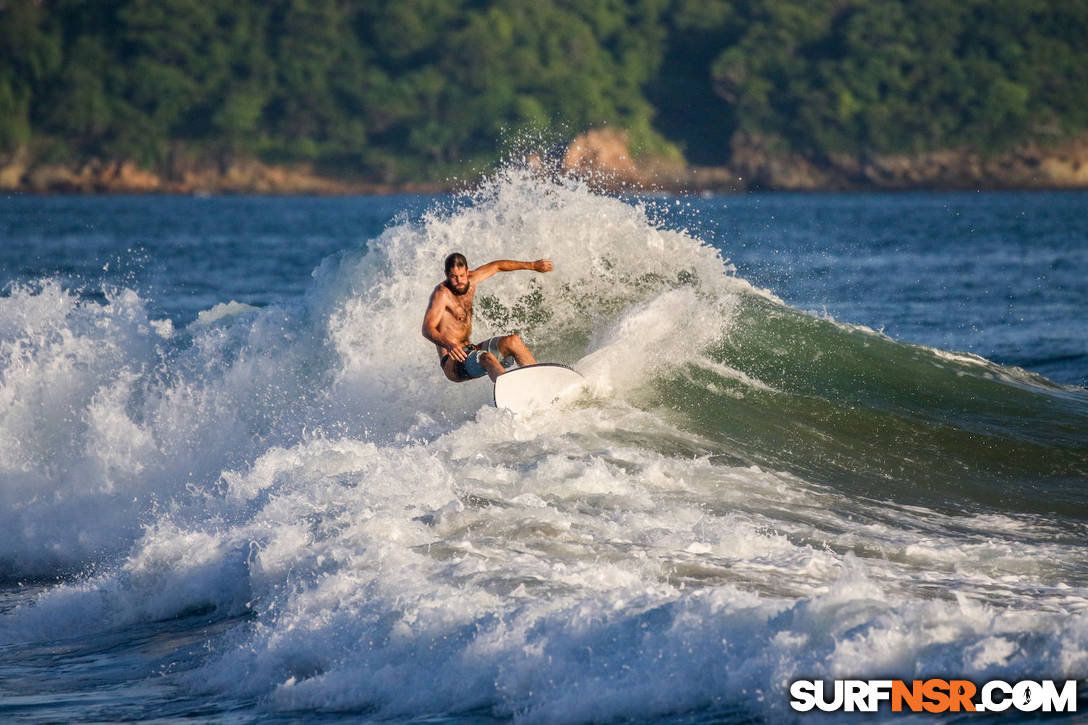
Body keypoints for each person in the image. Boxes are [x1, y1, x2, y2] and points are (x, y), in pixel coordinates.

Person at [422, 252, 553, 382]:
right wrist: (449, 345)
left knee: (513, 341)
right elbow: (427, 328)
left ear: (467, 272)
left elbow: (497, 266)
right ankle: (509, 390)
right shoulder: (442, 294)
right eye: (453, 277)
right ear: (447, 275)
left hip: (471, 350)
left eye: (462, 275)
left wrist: (532, 265)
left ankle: (539, 382)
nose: (459, 281)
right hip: (453, 362)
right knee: (487, 358)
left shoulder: (472, 280)